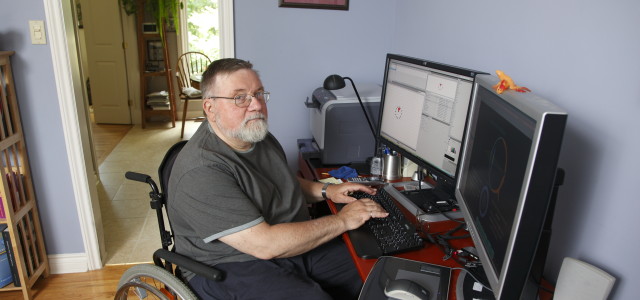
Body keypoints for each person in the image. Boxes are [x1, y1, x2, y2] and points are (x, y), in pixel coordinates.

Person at [168, 58, 388, 300]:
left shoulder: (258, 136)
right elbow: (264, 245)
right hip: (229, 264)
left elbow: (282, 182)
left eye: (259, 94)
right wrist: (343, 221)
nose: (256, 105)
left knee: (377, 270)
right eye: (239, 97)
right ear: (210, 108)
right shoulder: (201, 169)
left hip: (287, 246)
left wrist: (327, 191)